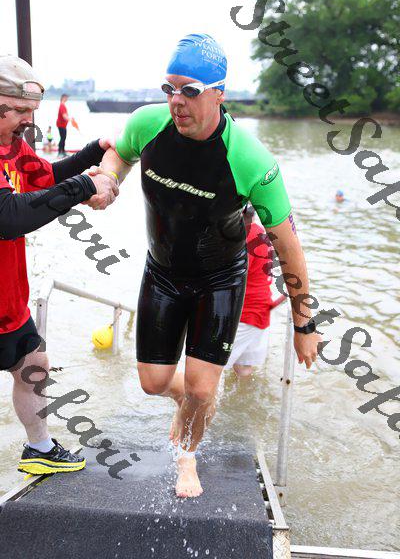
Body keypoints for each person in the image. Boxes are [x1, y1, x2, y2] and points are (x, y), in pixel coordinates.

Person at [89, 33, 321, 498]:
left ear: (219, 93)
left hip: (220, 280)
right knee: (154, 382)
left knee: (200, 388)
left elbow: (289, 249)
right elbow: (120, 152)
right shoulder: (148, 123)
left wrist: (304, 323)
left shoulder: (250, 159)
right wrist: (109, 178)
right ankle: (192, 397)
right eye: (169, 88)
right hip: (162, 272)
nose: (177, 101)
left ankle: (187, 456)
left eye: (190, 91)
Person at [0, 55, 119, 475]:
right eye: (21, 110)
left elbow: (45, 178)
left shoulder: (12, 145)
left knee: (33, 365)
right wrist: (84, 186)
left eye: (32, 111)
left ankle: (39, 448)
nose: (29, 121)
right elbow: (8, 217)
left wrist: (93, 152)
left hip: (8, 301)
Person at [224, 204, 285, 377]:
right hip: (261, 309)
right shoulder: (259, 232)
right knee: (243, 369)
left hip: (245, 314)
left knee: (210, 369)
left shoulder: (243, 237)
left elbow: (230, 280)